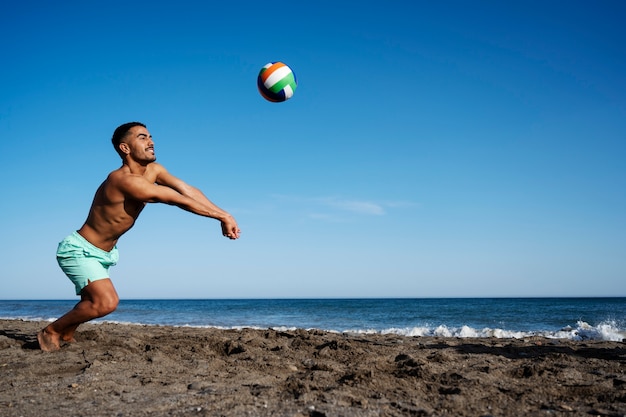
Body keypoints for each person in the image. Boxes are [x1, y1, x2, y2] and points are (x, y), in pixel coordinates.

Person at [37, 122, 241, 352]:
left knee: (91, 302)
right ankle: (51, 331)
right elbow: (175, 198)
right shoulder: (123, 180)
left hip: (104, 253)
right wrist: (221, 217)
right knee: (106, 302)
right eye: (142, 137)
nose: (151, 142)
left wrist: (225, 214)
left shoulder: (154, 170)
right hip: (80, 251)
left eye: (151, 136)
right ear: (125, 148)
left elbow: (187, 190)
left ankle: (66, 332)